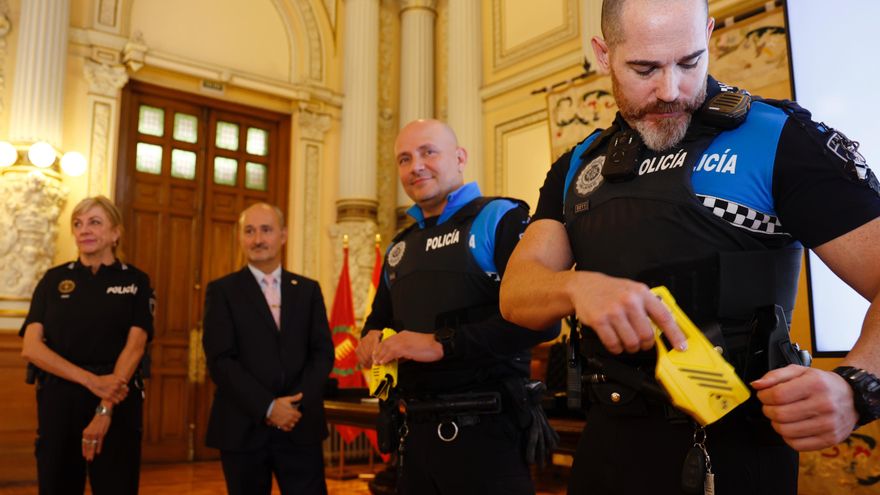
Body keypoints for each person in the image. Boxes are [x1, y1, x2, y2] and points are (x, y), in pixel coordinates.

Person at [499, 0, 880, 494]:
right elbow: (516, 295)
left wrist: (859, 387)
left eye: (689, 61)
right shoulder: (578, 166)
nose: (671, 90)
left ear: (709, 33)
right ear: (603, 54)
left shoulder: (780, 140)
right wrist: (577, 287)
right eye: (644, 69)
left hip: (735, 453)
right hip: (608, 447)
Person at [355, 119, 559, 495]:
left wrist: (441, 343)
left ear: (460, 157)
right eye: (404, 158)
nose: (415, 165)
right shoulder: (399, 248)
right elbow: (378, 320)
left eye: (428, 152)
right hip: (413, 435)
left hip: (488, 434)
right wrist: (369, 338)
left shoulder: (500, 218)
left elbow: (543, 322)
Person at [20, 195, 154, 494]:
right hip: (59, 401)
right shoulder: (53, 279)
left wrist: (104, 408)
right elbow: (31, 347)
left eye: (95, 222)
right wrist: (91, 381)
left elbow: (135, 347)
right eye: (78, 224)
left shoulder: (136, 281)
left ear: (115, 233)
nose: (84, 230)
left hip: (117, 400)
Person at [202, 202, 334, 495]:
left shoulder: (308, 290)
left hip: (300, 427)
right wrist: (269, 407)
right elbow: (220, 360)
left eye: (266, 230)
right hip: (242, 428)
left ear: (283, 235)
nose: (257, 239)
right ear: (240, 237)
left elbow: (322, 353)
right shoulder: (222, 291)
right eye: (249, 231)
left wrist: (293, 405)